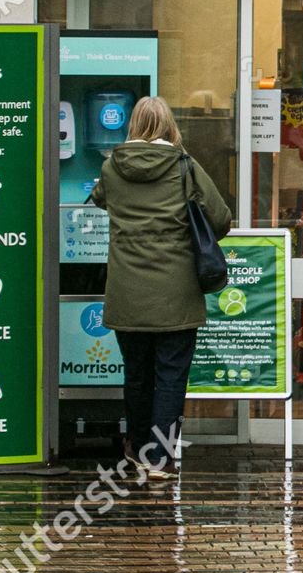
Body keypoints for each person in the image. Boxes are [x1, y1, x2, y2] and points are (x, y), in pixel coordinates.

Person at [90, 96, 232, 480]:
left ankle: (136, 449)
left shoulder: (111, 166)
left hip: (127, 292)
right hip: (177, 293)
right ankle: (160, 459)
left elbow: (100, 201)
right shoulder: (184, 166)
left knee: (136, 374)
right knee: (170, 375)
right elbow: (220, 219)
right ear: (170, 125)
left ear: (133, 125)